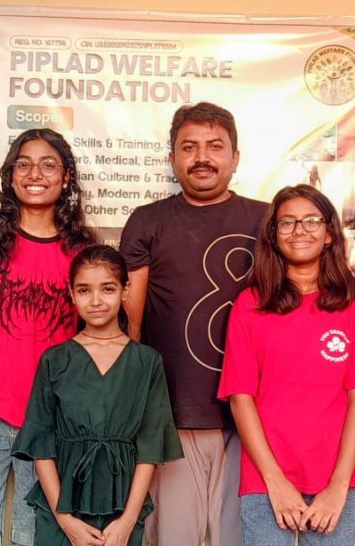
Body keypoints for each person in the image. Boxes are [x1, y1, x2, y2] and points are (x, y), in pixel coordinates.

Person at [120, 101, 267, 546]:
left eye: (215, 146)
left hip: (253, 421)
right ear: (172, 158)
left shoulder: (268, 220)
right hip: (171, 419)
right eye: (189, 147)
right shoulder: (148, 221)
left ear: (236, 157)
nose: (202, 157)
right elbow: (131, 328)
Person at [218, 184, 355, 545]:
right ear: (273, 235)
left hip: (336, 479)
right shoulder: (251, 304)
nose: (299, 230)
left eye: (311, 221)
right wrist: (275, 481)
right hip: (265, 477)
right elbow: (240, 398)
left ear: (329, 234)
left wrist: (339, 485)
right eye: (287, 222)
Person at [0, 128, 93, 546]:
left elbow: (95, 337)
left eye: (48, 165)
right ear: (10, 174)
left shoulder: (82, 248)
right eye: (24, 164)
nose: (35, 174)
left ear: (66, 177)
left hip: (52, 418)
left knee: (37, 533)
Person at [12, 244, 183, 546]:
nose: (96, 301)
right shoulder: (55, 360)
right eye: (84, 290)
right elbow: (41, 446)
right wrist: (65, 520)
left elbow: (150, 448)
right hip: (62, 507)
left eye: (107, 289)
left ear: (125, 290)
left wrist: (127, 521)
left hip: (123, 508)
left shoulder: (146, 362)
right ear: (71, 294)